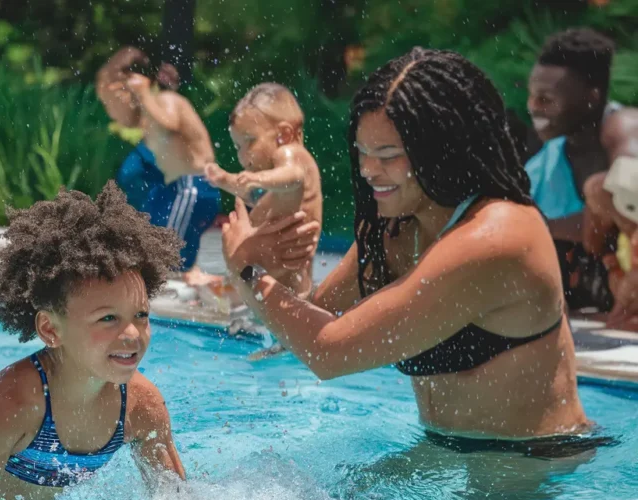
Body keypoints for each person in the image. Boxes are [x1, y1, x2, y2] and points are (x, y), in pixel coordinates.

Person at [223, 48, 598, 444]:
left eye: (386, 155)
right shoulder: (400, 228)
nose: (368, 171)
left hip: (535, 467)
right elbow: (311, 319)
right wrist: (275, 269)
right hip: (445, 454)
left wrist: (248, 273)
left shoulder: (496, 237)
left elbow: (328, 353)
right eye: (363, 153)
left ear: (442, 151)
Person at [0, 183, 186, 500]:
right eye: (107, 318)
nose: (131, 334)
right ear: (51, 329)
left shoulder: (141, 406)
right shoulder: (14, 400)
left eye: (140, 316)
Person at [526, 28, 638, 312]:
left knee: (600, 188)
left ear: (592, 97)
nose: (533, 107)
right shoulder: (541, 169)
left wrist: (544, 227)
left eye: (546, 98)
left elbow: (630, 192)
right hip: (600, 306)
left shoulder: (624, 127)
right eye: (531, 96)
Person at [97, 48, 221, 285]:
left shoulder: (168, 101)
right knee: (151, 251)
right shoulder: (148, 116)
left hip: (192, 187)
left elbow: (170, 124)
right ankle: (200, 283)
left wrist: (142, 93)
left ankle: (196, 290)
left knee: (164, 260)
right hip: (175, 190)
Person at [204, 82, 323, 296]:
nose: (242, 155)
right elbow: (254, 195)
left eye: (250, 141)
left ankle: (236, 297)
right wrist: (224, 179)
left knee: (246, 282)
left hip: (284, 269)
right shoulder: (275, 184)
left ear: (284, 135)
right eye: (238, 146)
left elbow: (292, 175)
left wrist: (258, 178)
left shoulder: (291, 154)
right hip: (282, 273)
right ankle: (239, 296)